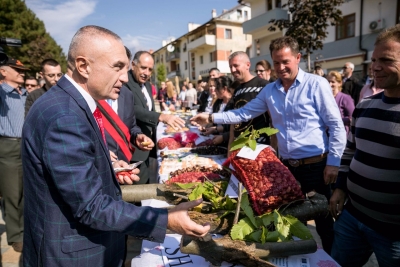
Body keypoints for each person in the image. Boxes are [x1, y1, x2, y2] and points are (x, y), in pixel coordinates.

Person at [21, 25, 209, 267]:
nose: (123, 77)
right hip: (75, 255)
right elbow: (91, 207)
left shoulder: (67, 104)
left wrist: (107, 163)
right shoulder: (65, 116)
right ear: (83, 66)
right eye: (117, 67)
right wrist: (166, 220)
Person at [191, 37, 346, 254]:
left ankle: (330, 260)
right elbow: (243, 113)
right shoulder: (271, 90)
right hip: (286, 168)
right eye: (276, 63)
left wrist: (333, 162)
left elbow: (336, 126)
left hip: (316, 167)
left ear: (298, 58)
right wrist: (210, 118)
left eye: (286, 62)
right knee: (286, 220)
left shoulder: (316, 84)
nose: (281, 68)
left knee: (324, 224)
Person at [329, 24, 400, 267]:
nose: (376, 67)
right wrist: (340, 188)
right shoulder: (365, 106)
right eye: (374, 60)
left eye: (387, 60)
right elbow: (350, 151)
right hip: (353, 217)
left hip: (393, 234)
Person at [125, 51, 185, 184]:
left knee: (146, 183)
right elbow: (132, 109)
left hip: (146, 146)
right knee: (136, 191)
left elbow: (148, 109)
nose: (146, 73)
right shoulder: (125, 83)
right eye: (143, 67)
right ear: (133, 65)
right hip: (133, 148)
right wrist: (161, 116)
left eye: (150, 69)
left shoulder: (146, 84)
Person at [0, 57, 29, 253]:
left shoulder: (26, 93)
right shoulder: (2, 93)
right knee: (12, 194)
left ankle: (26, 229)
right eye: (16, 69)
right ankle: (16, 236)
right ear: (3, 71)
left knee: (27, 191)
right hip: (8, 146)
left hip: (26, 146)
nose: (22, 72)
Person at [227, 51, 273, 150]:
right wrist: (230, 148)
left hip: (259, 148)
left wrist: (273, 150)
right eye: (230, 67)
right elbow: (234, 123)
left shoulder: (264, 85)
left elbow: (273, 121)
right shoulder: (237, 90)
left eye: (236, 65)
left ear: (248, 65)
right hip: (239, 148)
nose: (233, 70)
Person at [203, 76, 236, 147]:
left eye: (216, 88)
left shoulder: (234, 103)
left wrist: (223, 136)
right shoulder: (218, 103)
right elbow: (216, 123)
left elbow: (233, 128)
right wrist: (209, 128)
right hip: (216, 140)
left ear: (224, 89)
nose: (214, 90)